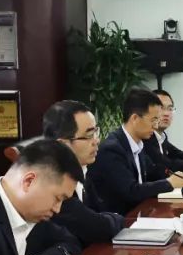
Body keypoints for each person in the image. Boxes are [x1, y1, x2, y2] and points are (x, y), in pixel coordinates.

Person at [88, 88, 183, 215]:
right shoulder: (112, 149)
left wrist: (177, 178)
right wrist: (169, 183)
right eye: (153, 120)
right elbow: (131, 191)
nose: (156, 126)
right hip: (120, 221)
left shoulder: (138, 144)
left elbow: (155, 172)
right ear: (135, 118)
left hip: (139, 215)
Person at [42, 100, 125, 245]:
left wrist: (107, 218)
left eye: (95, 132)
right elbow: (101, 228)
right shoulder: (55, 184)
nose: (96, 141)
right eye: (89, 135)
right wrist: (114, 218)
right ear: (63, 145)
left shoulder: (83, 170)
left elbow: (99, 213)